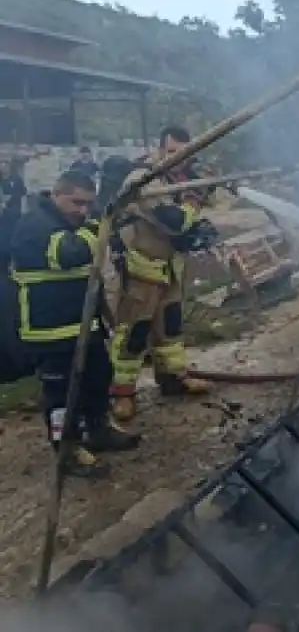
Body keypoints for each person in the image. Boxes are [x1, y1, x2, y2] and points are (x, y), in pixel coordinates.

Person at [10, 170, 141, 477]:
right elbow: (69, 254)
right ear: (56, 195)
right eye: (76, 203)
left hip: (83, 323)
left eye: (88, 204)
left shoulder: (74, 224)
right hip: (49, 329)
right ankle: (67, 450)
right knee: (62, 395)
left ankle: (97, 430)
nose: (82, 211)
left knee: (98, 378)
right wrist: (100, 225)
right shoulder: (33, 225)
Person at [109, 125, 219, 422]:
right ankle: (122, 393)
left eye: (185, 154)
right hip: (141, 266)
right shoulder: (143, 179)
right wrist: (194, 200)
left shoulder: (180, 178)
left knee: (170, 327)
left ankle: (172, 378)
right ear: (159, 149)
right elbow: (175, 221)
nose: (180, 159)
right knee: (134, 331)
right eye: (172, 152)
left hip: (170, 266)